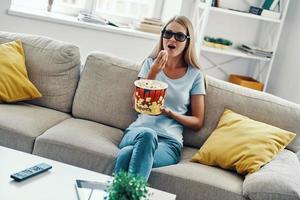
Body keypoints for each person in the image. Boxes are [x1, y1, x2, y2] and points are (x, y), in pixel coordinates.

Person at [114, 15, 206, 181]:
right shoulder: (150, 64)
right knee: (148, 134)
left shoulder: (195, 75)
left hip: (169, 142)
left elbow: (198, 122)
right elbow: (136, 103)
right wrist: (154, 72)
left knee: (127, 154)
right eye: (168, 33)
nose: (172, 39)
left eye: (179, 36)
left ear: (188, 41)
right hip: (138, 132)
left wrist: (170, 113)